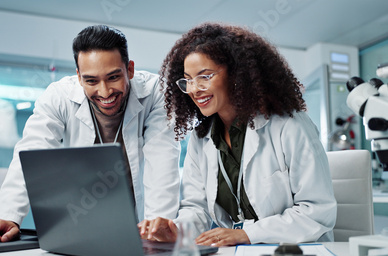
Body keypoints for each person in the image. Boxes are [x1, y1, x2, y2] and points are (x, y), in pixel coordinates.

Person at [0, 25, 180, 242]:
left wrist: (158, 225)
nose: (105, 91)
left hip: (139, 213)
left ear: (130, 70)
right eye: (91, 80)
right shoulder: (58, 96)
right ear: (79, 77)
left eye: (113, 77)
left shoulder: (155, 93)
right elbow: (32, 154)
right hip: (84, 215)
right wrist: (8, 216)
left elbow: (162, 158)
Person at [138, 22, 337, 246]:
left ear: (236, 74)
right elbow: (197, 209)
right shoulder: (202, 137)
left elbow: (317, 212)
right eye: (188, 80)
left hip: (299, 248)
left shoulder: (289, 126)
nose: (194, 89)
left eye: (205, 76)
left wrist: (247, 234)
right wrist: (176, 230)